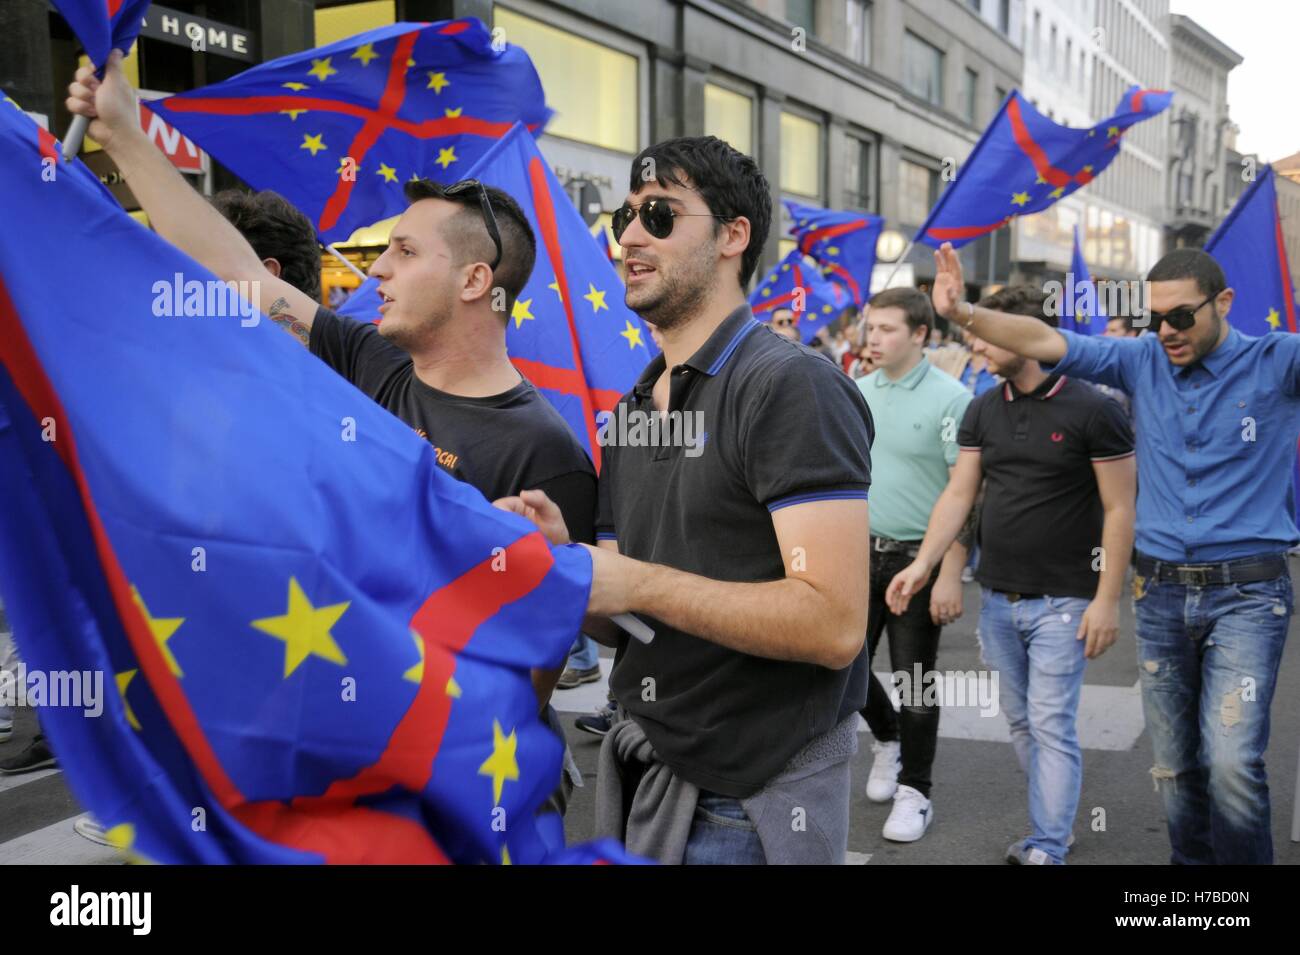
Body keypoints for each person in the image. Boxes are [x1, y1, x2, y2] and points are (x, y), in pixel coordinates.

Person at [66, 54, 595, 821]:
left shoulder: (544, 450)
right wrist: (124, 135)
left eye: (406, 252)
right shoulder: (373, 362)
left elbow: (533, 665)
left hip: (460, 788)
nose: (377, 267)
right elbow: (240, 272)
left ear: (476, 282)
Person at [498, 135, 874, 865]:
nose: (631, 236)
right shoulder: (635, 402)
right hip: (653, 768)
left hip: (748, 792)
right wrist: (567, 565)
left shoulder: (790, 384)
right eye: (625, 217)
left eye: (661, 215)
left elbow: (833, 623)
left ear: (734, 236)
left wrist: (636, 580)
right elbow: (627, 623)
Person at [928, 241, 1298, 865]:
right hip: (1159, 592)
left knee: (1232, 760)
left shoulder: (1278, 358)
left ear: (1224, 302)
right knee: (1176, 765)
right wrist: (963, 312)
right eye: (1155, 318)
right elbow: (1046, 342)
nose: (1167, 331)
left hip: (1249, 591)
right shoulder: (1140, 360)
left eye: (1181, 316)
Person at [888, 285, 1136, 863]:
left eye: (989, 329)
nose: (976, 340)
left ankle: (1047, 843)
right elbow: (959, 493)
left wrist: (1107, 600)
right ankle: (1057, 825)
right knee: (1024, 724)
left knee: (1049, 724)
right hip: (999, 599)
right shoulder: (982, 407)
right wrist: (924, 563)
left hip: (1065, 601)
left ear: (1025, 335)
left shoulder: (1095, 409)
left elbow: (1121, 509)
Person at [854, 287, 973, 842]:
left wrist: (947, 568)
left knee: (917, 683)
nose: (872, 338)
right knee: (843, 668)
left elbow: (965, 491)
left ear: (921, 334)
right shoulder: (855, 390)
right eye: (869, 327)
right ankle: (888, 739)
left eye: (886, 329)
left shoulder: (953, 399)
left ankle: (915, 793)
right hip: (858, 554)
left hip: (917, 564)